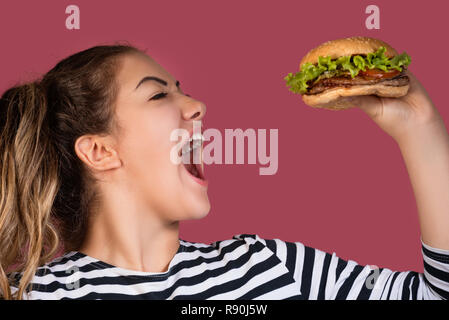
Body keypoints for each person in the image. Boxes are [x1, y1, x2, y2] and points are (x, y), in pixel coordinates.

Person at [0, 42, 448, 300]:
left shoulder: (271, 267)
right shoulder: (27, 295)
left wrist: (419, 128)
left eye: (184, 91)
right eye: (159, 96)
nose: (197, 106)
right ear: (99, 151)